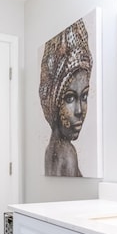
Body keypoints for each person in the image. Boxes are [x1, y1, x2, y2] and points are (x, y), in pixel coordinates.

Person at [39, 18, 93, 177]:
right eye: (69, 98)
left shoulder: (51, 149)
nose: (79, 110)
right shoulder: (68, 153)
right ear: (53, 101)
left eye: (84, 96)